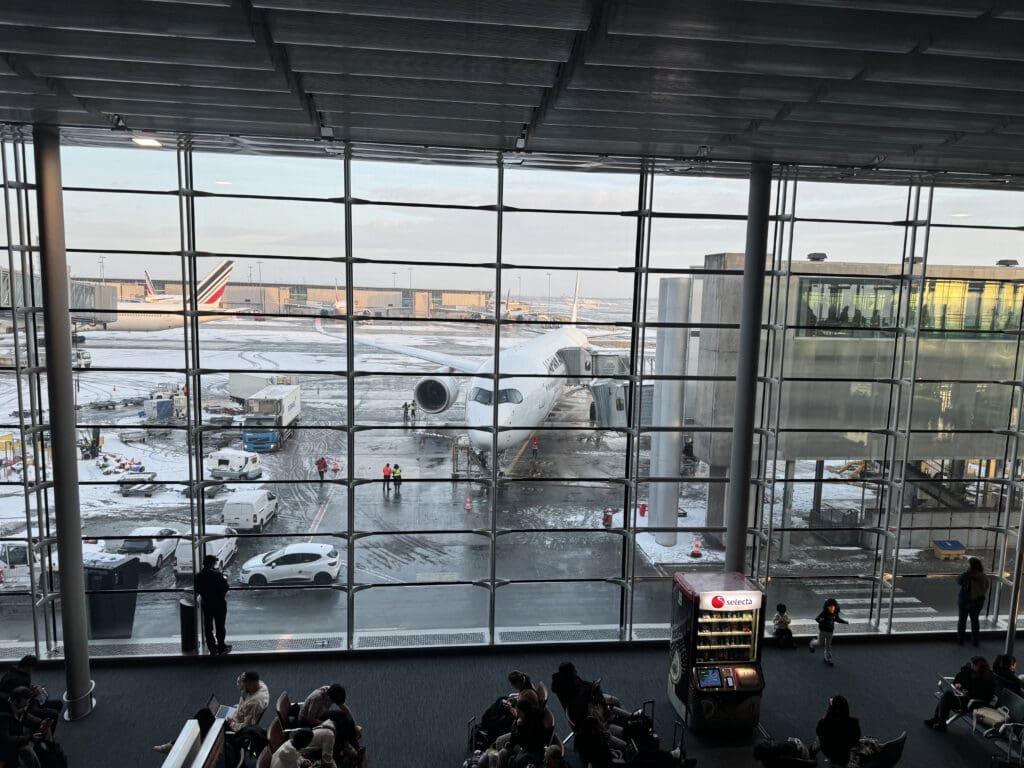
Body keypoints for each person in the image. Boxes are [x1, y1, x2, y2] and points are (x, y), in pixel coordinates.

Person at [924, 655, 996, 731]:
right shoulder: (968, 670)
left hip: (972, 702)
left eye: (973, 665)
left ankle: (939, 721)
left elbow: (984, 695)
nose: (971, 666)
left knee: (946, 696)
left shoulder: (987, 679)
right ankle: (939, 721)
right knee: (946, 696)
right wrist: (958, 684)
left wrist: (967, 693)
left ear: (979, 667)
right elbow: (959, 678)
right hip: (963, 697)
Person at [0, 655, 62, 725]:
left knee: (58, 704)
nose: (32, 671)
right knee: (54, 713)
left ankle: (43, 726)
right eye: (32, 669)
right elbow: (18, 700)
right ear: (27, 667)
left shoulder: (16, 673)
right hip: (24, 708)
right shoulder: (15, 680)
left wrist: (31, 689)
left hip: (29, 703)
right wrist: (33, 693)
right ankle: (41, 727)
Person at [195, 555, 231, 656]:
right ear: (211, 564)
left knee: (208, 627)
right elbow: (225, 587)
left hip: (207, 604)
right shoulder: (217, 575)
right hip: (219, 604)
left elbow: (197, 589)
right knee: (220, 626)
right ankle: (221, 647)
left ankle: (212, 647)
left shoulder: (198, 576)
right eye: (214, 563)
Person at [0, 687, 44, 768]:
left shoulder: (17, 707)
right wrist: (29, 737)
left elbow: (26, 715)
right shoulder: (4, 717)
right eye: (23, 706)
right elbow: (7, 739)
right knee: (28, 751)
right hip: (4, 746)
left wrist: (41, 722)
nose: (25, 708)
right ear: (15, 702)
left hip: (15, 738)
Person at [814, 695, 861, 767]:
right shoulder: (853, 724)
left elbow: (819, 734)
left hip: (829, 756)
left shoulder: (824, 724)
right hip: (844, 758)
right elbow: (855, 740)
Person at [957, 556, 988, 647]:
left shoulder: (967, 575)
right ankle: (975, 641)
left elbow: (958, 581)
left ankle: (960, 640)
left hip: (965, 600)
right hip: (978, 602)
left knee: (962, 620)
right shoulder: (983, 576)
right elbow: (986, 586)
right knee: (975, 620)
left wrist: (966, 573)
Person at [809, 597, 848, 664]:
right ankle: (812, 642)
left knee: (828, 645)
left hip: (830, 631)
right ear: (827, 607)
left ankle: (827, 658)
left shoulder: (835, 612)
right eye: (830, 607)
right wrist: (820, 620)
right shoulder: (824, 613)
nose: (831, 608)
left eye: (833, 607)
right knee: (819, 643)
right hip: (823, 631)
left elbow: (837, 619)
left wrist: (844, 622)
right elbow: (817, 618)